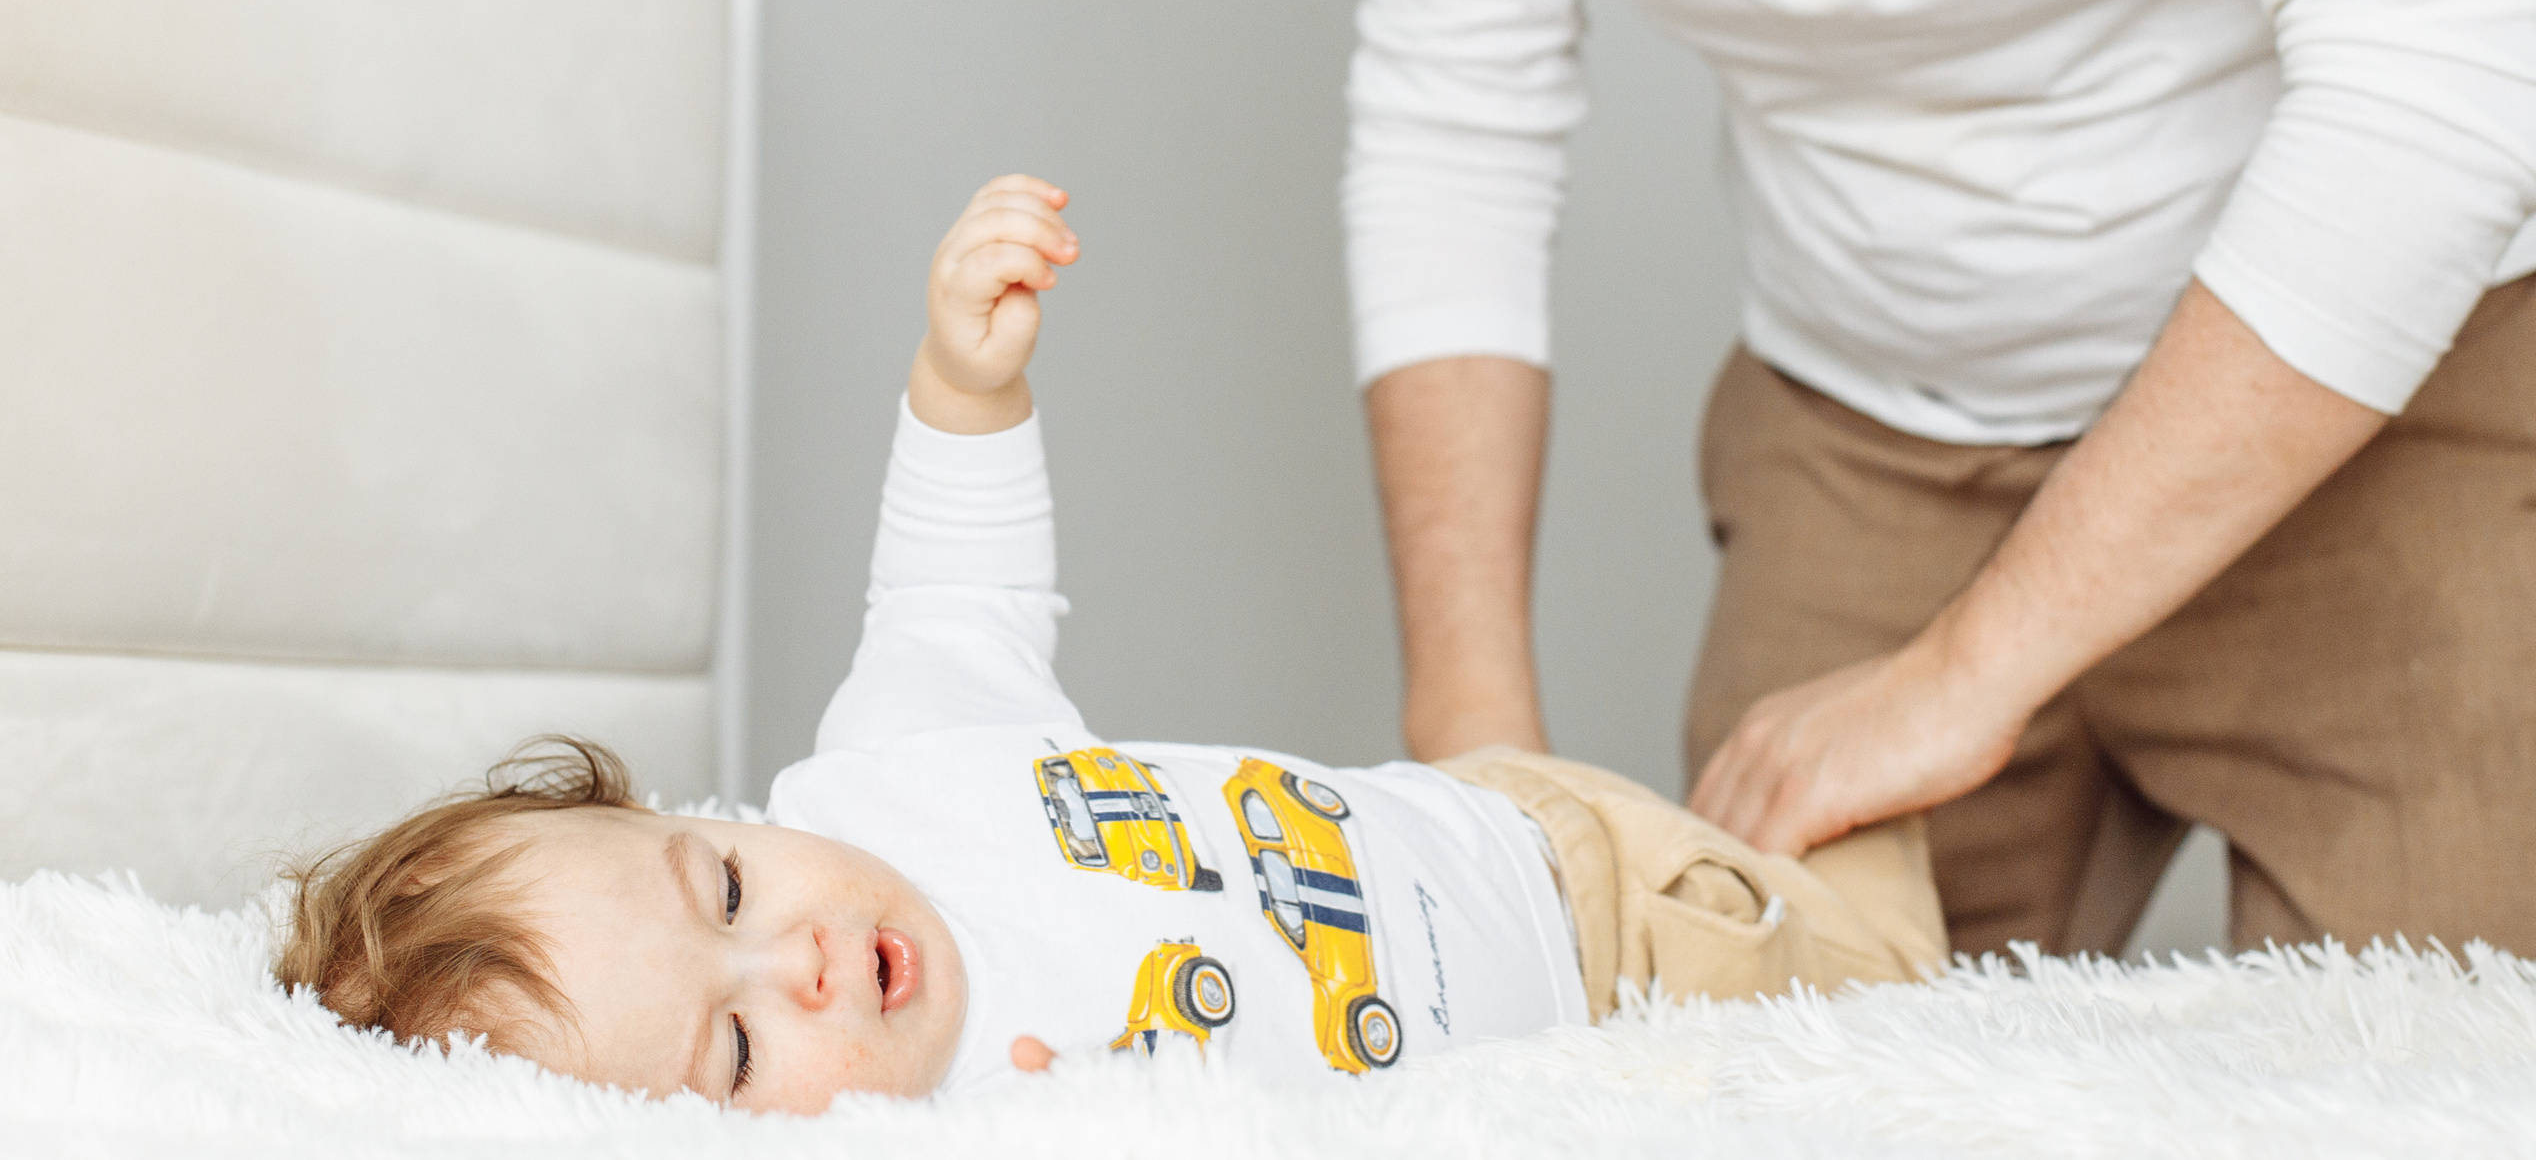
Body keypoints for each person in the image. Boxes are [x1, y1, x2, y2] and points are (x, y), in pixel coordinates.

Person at [1343, 0, 2536, 958]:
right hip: (1868, 438)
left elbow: (2437, 90)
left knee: (2446, 1078)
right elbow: (1452, 125)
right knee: (1766, 1077)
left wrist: (1972, 669)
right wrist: (1474, 761)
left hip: (2379, 417)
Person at [273, 177, 1947, 1113]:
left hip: (1570, 879)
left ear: (692, 816)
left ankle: (1923, 771)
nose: (792, 959)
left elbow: (956, 589)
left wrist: (968, 384)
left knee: (1897, 979)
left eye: (719, 889)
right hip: (1591, 1041)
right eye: (733, 1050)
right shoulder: (964, 1124)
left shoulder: (889, 778)